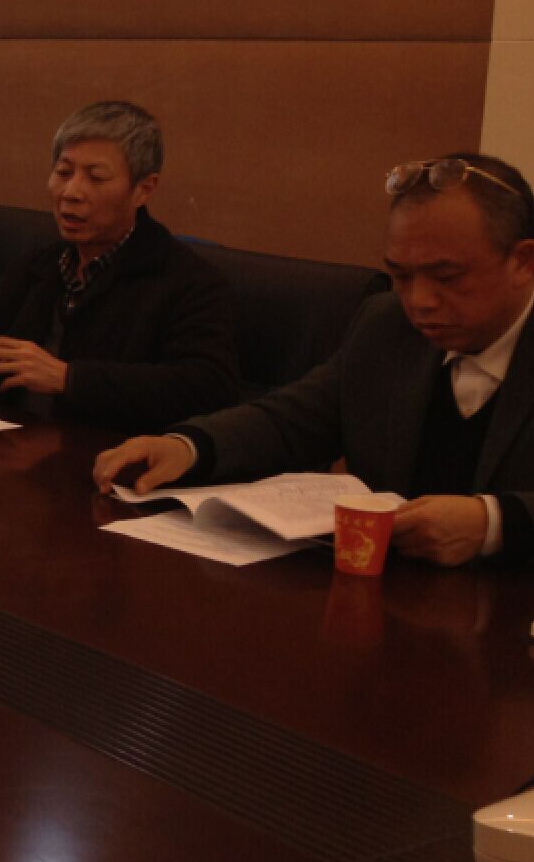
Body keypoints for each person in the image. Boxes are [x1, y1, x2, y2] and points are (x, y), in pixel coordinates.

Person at [94, 153, 534, 566]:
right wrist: (189, 447)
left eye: (447, 277)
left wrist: (494, 522)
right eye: (401, 276)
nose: (419, 301)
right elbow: (292, 421)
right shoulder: (387, 325)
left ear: (524, 262)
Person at [0, 101, 238, 431]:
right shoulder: (43, 265)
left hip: (104, 460)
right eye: (63, 172)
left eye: (96, 178)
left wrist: (69, 379)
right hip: (9, 446)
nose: (71, 192)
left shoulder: (188, 281)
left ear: (143, 190)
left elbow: (207, 388)